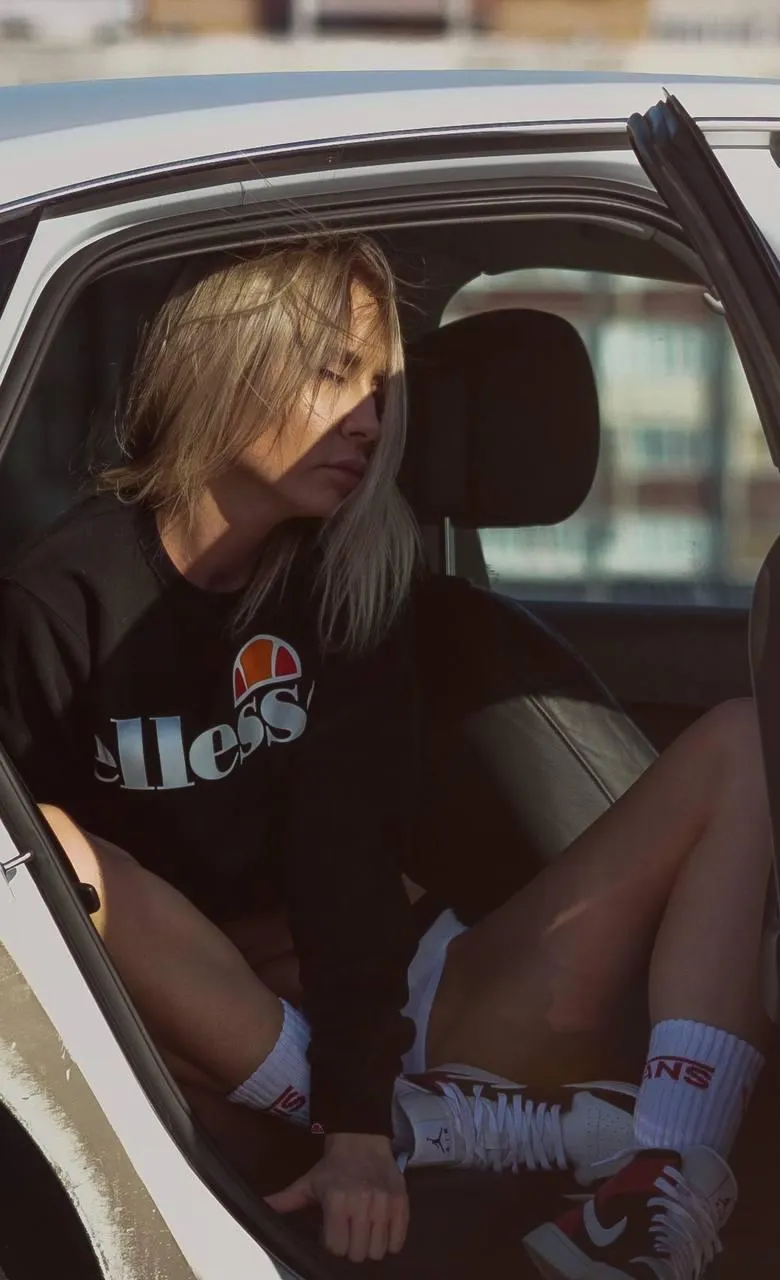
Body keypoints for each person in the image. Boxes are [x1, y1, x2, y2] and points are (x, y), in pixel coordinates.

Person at [0, 236, 773, 1280]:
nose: (368, 420)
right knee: (51, 853)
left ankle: (663, 1178)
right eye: (336, 374)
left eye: (380, 390)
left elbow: (346, 859)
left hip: (412, 1004)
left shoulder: (350, 581)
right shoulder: (60, 602)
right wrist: (341, 1106)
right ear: (228, 362)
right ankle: (431, 1123)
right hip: (229, 1051)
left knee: (741, 742)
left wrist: (357, 1114)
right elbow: (48, 939)